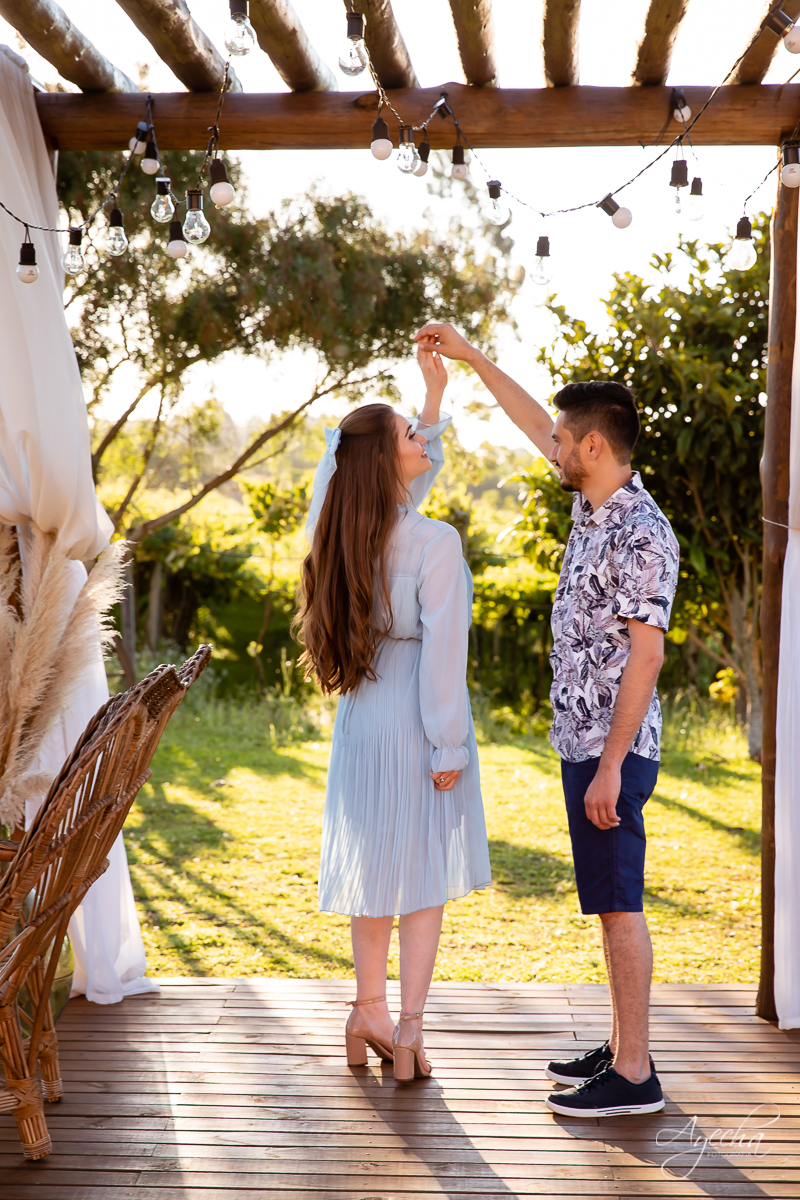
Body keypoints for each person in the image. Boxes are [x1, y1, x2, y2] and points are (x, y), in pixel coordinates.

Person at [414, 322, 679, 1118]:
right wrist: (471, 357)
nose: (551, 447)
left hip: (611, 752)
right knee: (606, 898)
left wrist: (611, 767)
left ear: (593, 446)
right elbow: (533, 418)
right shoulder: (593, 508)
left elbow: (647, 657)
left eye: (563, 441)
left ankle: (634, 1074)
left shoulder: (640, 531)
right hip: (586, 744)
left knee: (620, 902)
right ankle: (622, 1044)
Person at [295, 345, 491, 1083]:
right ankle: (408, 1030)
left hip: (362, 712)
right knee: (422, 876)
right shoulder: (435, 543)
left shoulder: (337, 531)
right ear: (385, 461)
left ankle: (366, 1010)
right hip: (414, 716)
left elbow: (399, 477)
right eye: (412, 434)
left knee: (376, 867)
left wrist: (430, 399)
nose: (424, 440)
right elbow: (444, 657)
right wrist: (449, 746)